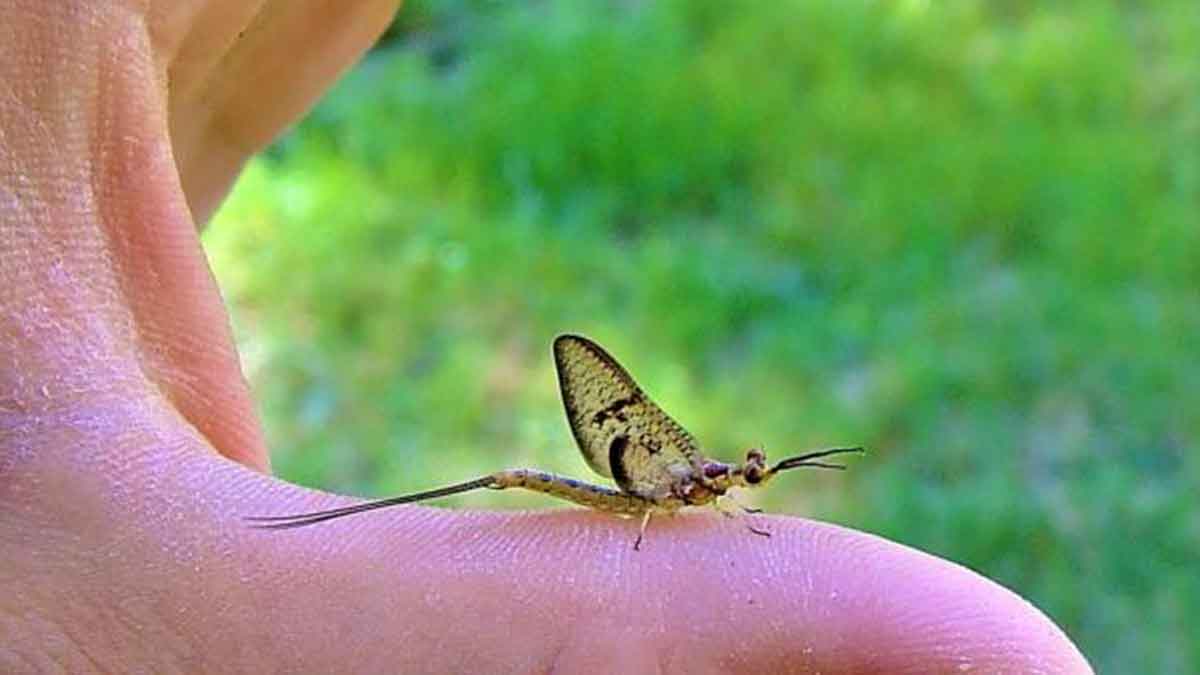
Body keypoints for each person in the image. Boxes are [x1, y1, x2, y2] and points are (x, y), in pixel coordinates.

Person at [0, 2, 1093, 672]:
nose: (747, 483)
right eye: (747, 476)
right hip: (619, 492)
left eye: (752, 478)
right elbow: (643, 482)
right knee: (510, 479)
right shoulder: (681, 478)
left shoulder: (703, 490)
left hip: (639, 493)